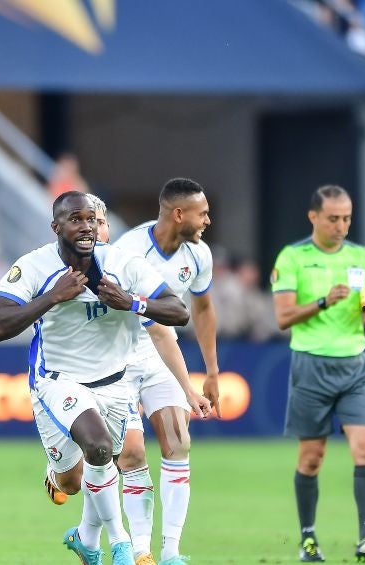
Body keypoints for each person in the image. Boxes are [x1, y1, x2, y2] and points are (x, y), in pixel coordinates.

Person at [0, 191, 205, 565]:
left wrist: (133, 302)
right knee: (101, 449)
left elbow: (178, 312)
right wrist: (50, 298)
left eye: (91, 219)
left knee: (78, 478)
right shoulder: (34, 267)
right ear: (56, 227)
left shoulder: (124, 264)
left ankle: (87, 538)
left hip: (116, 384)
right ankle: (121, 546)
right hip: (58, 380)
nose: (86, 226)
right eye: (75, 219)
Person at [270, 185, 365, 563]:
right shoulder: (293, 257)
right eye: (333, 218)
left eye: (346, 218)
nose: (341, 226)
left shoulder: (362, 256)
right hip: (311, 367)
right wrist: (325, 300)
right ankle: (308, 540)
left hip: (354, 366)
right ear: (314, 217)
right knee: (311, 458)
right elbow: (283, 317)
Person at [102, 180, 222, 565]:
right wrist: (190, 389)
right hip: (117, 357)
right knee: (130, 453)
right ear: (178, 214)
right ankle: (139, 549)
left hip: (162, 355)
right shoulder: (128, 251)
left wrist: (212, 371)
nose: (208, 220)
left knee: (178, 442)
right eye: (202, 213)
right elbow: (139, 319)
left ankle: (169, 552)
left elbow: (201, 310)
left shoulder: (199, 255)